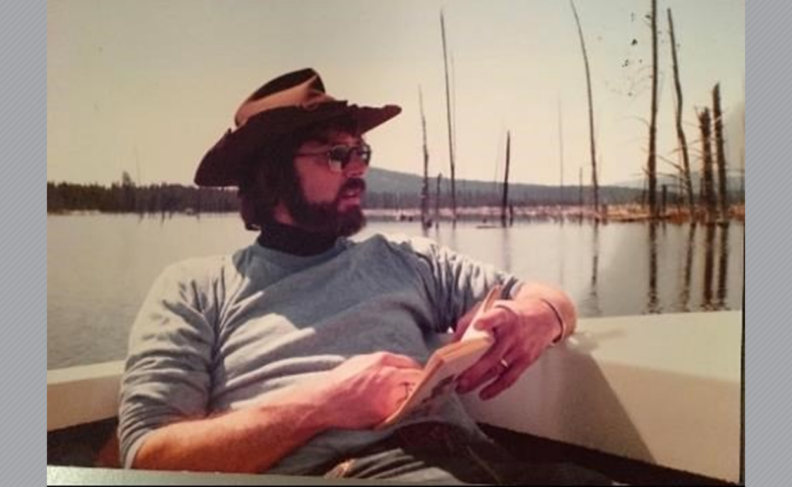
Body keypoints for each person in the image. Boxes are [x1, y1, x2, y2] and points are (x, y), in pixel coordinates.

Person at [118, 68, 614, 484]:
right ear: (269, 174)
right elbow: (146, 459)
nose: (358, 168)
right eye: (336, 154)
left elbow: (548, 297)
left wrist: (537, 314)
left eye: (361, 152)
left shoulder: (409, 260)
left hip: (480, 465)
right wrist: (325, 403)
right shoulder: (198, 288)